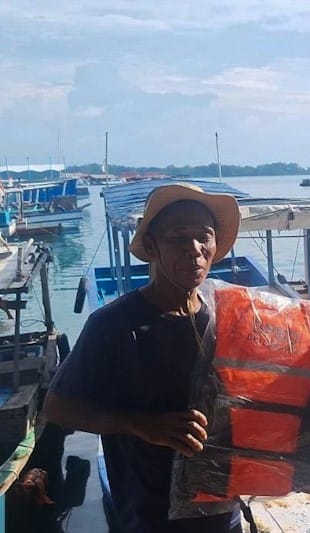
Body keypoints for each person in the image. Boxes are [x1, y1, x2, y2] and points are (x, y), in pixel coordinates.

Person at [43, 183, 243, 533]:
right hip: (151, 512)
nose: (194, 250)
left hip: (223, 508)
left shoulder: (224, 316)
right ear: (151, 246)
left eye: (204, 237)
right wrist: (143, 425)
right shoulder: (114, 324)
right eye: (178, 238)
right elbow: (58, 407)